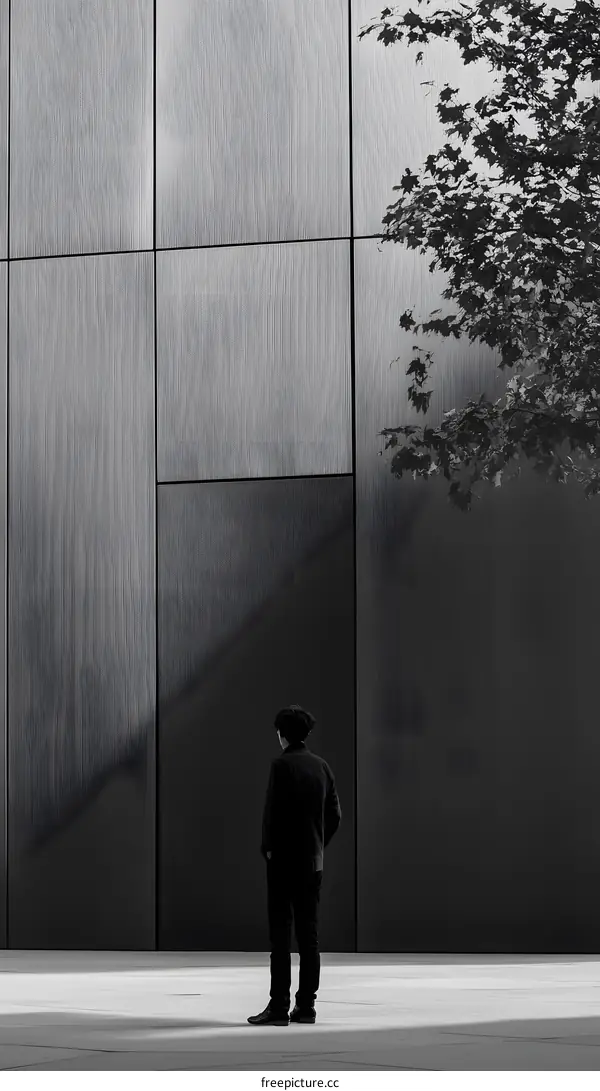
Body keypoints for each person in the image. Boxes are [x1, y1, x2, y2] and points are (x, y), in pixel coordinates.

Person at [247, 704, 342, 1027]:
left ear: (281, 734)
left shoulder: (281, 766)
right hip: (313, 863)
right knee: (309, 937)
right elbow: (335, 816)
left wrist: (270, 850)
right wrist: (317, 844)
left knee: (281, 938)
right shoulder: (322, 767)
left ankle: (278, 1007)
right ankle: (306, 1007)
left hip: (283, 863)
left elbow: (271, 814)